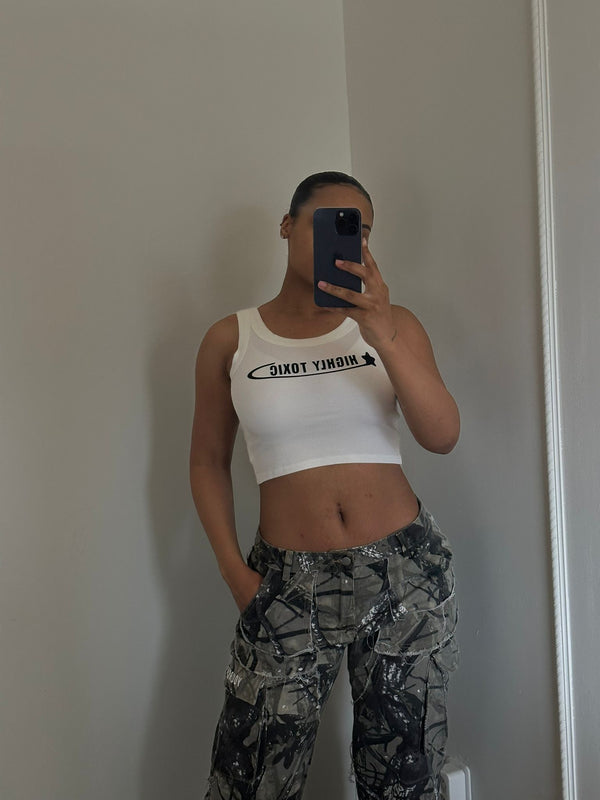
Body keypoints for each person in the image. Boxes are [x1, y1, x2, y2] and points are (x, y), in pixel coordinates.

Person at [189, 171, 460, 800]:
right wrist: (236, 575)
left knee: (403, 781)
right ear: (287, 225)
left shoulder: (393, 325)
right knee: (250, 780)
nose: (347, 241)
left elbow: (442, 434)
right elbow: (206, 461)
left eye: (359, 230)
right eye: (329, 223)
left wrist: (383, 334)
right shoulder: (231, 339)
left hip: (404, 576)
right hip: (286, 584)